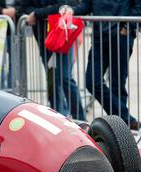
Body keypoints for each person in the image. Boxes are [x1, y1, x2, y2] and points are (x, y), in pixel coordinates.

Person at [71, 0, 141, 129]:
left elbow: (138, 5)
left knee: (117, 85)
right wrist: (71, 10)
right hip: (99, 37)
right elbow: (87, 5)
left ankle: (119, 129)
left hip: (121, 37)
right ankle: (125, 120)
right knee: (92, 81)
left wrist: (127, 27)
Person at [22, 0, 85, 120]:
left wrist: (37, 14)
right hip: (43, 37)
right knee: (52, 79)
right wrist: (39, 12)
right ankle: (58, 117)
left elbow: (64, 6)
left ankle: (80, 119)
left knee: (65, 77)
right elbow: (24, 7)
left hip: (62, 34)